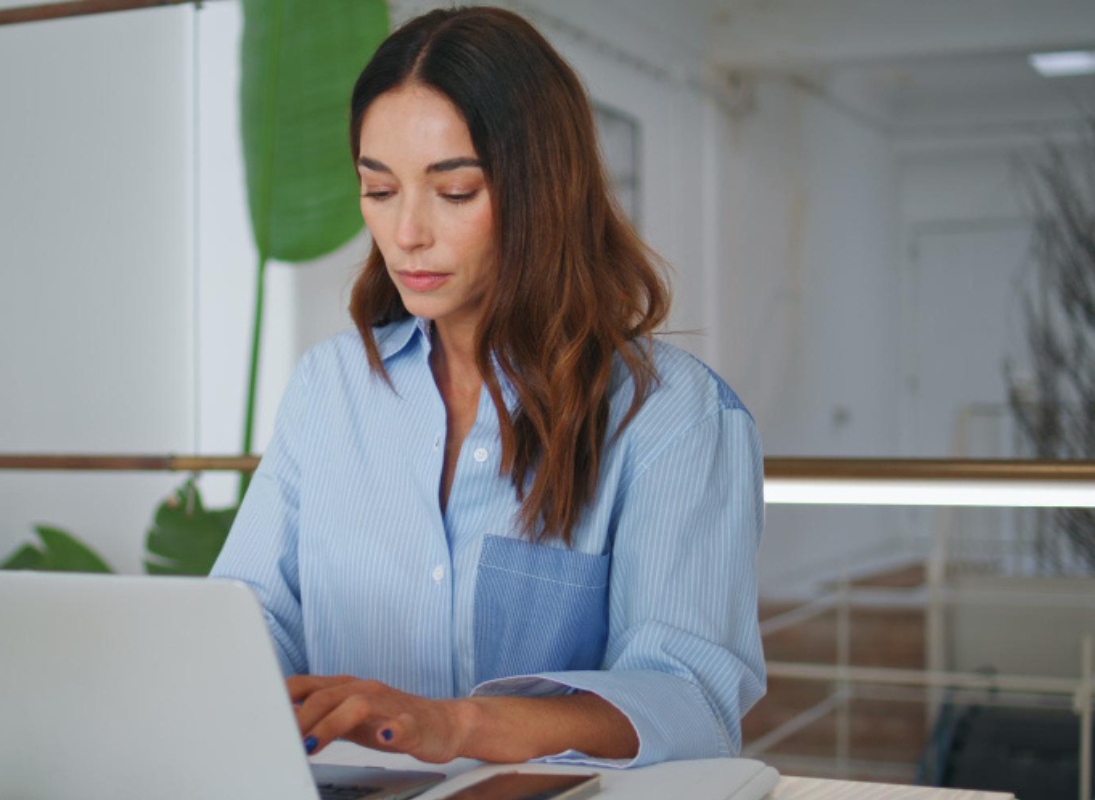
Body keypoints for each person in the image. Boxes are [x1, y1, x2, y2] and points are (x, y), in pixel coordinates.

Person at [210, 6, 765, 769]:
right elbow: (246, 621)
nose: (407, 232)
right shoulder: (328, 388)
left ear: (543, 190)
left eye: (456, 191)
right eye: (379, 189)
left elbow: (688, 700)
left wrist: (455, 726)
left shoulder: (670, 415)